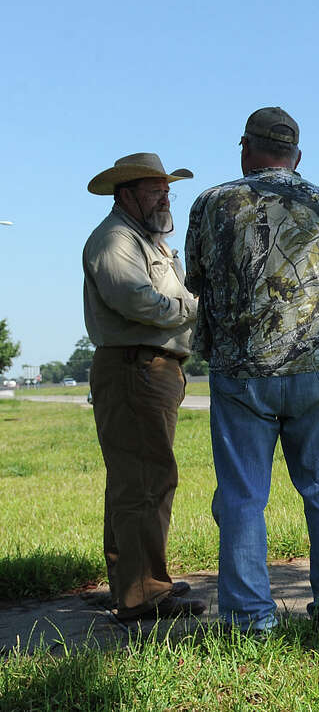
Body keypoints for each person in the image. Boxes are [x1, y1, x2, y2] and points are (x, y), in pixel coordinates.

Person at [185, 107, 319, 633]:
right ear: (296, 156)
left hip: (244, 372)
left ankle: (249, 621)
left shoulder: (213, 203)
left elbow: (198, 281)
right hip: (318, 367)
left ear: (245, 148)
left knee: (242, 496)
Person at [84, 152, 206, 622]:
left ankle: (135, 585)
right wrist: (194, 308)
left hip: (149, 367)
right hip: (136, 366)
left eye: (167, 190)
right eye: (156, 190)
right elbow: (137, 300)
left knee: (138, 479)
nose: (165, 198)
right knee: (144, 480)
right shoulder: (115, 239)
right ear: (126, 195)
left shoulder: (147, 240)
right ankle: (143, 595)